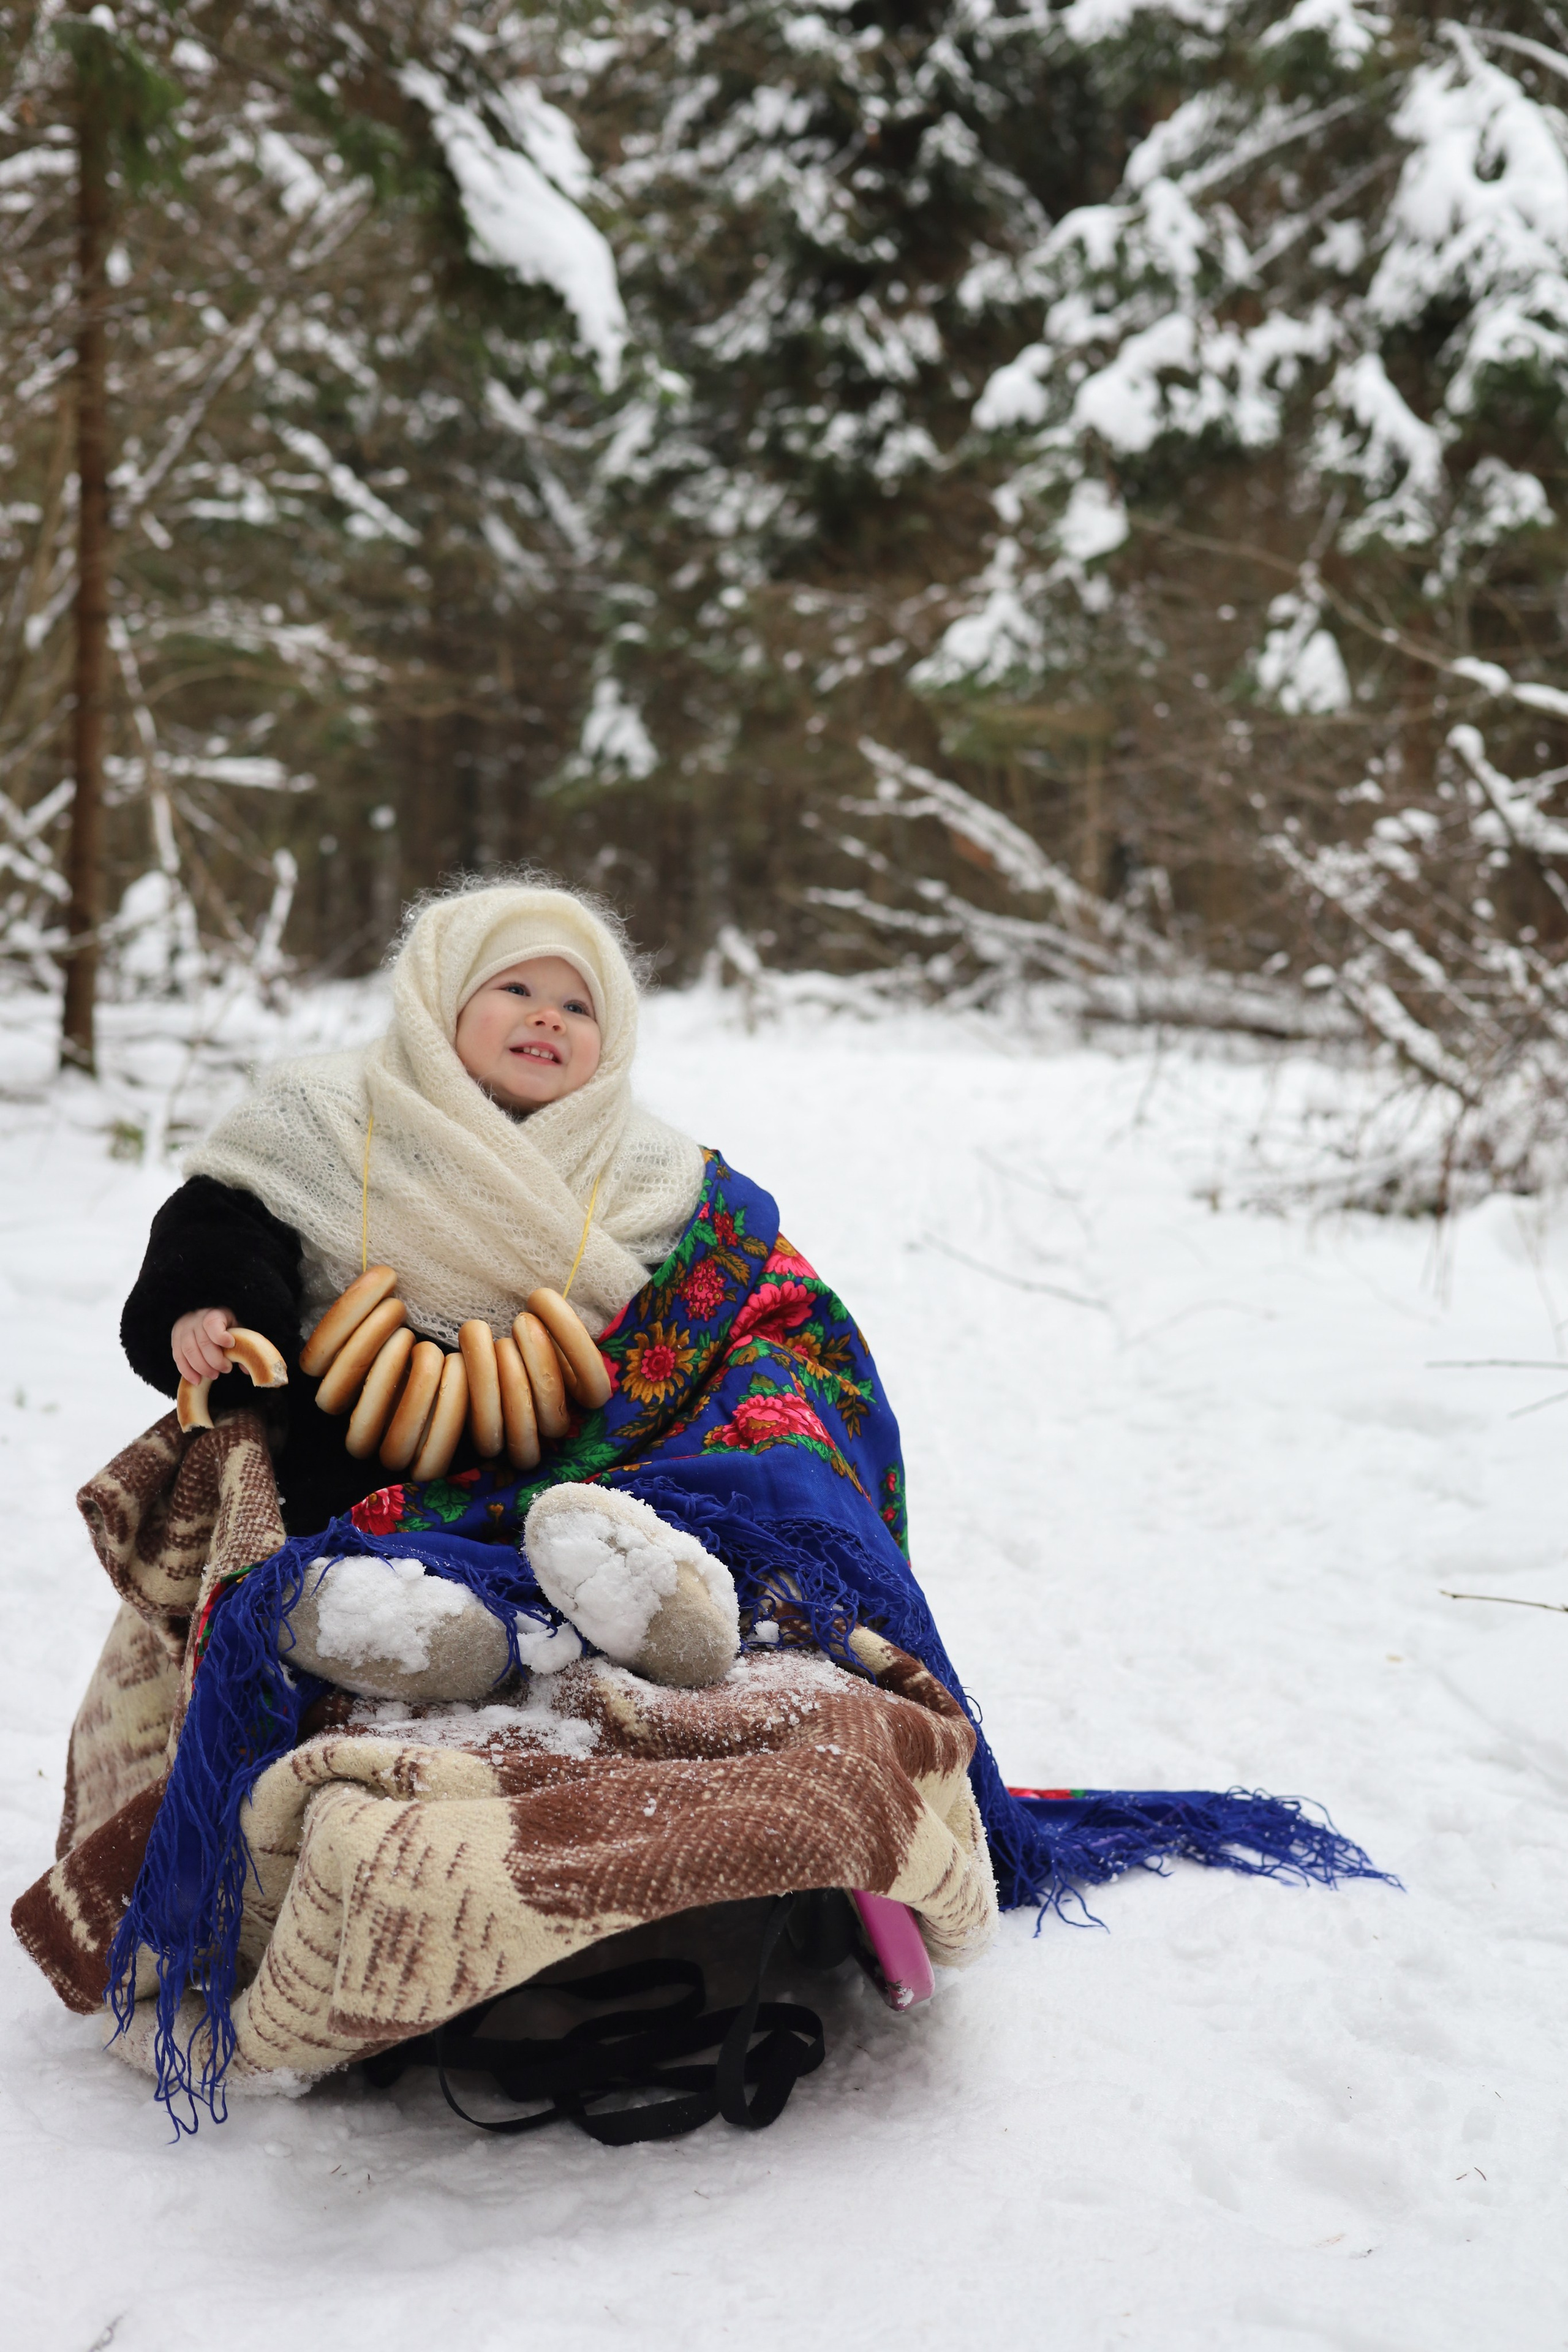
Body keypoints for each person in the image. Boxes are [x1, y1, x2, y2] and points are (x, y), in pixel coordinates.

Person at [120, 877, 741, 1694]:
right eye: (515, 988)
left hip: (569, 1445)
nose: (548, 1017)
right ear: (440, 1000)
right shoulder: (326, 1111)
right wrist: (208, 1305)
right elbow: (225, 1219)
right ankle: (388, 1621)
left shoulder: (652, 1168)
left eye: (578, 1007)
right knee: (333, 1518)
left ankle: (645, 1591)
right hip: (354, 1437)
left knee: (636, 1490)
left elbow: (712, 1296)